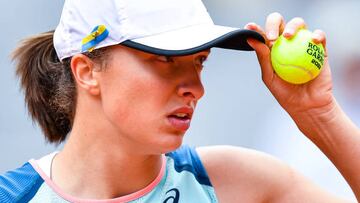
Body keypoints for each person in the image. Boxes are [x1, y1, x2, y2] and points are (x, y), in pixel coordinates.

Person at [0, 0, 359, 202]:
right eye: (166, 59)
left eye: (200, 61)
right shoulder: (14, 196)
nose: (196, 88)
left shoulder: (235, 182)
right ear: (87, 71)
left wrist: (319, 115)